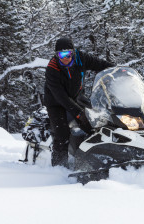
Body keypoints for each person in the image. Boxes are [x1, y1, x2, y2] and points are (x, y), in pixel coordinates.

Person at [44, 37, 115, 168]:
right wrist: (79, 113)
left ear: (73, 52)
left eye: (68, 53)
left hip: (77, 97)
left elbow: (99, 64)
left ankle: (98, 155)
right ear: (56, 55)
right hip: (56, 102)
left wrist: (116, 70)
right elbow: (61, 97)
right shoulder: (52, 68)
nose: (65, 57)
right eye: (61, 54)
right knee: (62, 134)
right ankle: (59, 167)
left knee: (97, 122)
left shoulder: (81, 58)